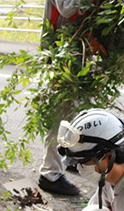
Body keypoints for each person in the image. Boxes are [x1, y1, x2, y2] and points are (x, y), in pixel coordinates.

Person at [35, 0, 86, 196]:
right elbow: (68, 8)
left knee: (79, 109)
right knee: (61, 112)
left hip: (80, 50)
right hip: (61, 52)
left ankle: (72, 157)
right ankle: (50, 174)